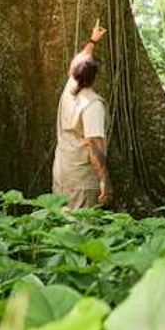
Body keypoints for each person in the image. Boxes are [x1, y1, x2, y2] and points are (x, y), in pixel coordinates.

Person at [52, 21, 112, 210]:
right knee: (80, 232)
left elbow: (78, 62)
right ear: (94, 77)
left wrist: (93, 41)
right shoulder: (92, 105)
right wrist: (104, 179)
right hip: (82, 180)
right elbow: (93, 145)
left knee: (62, 226)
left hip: (62, 172)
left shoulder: (69, 89)